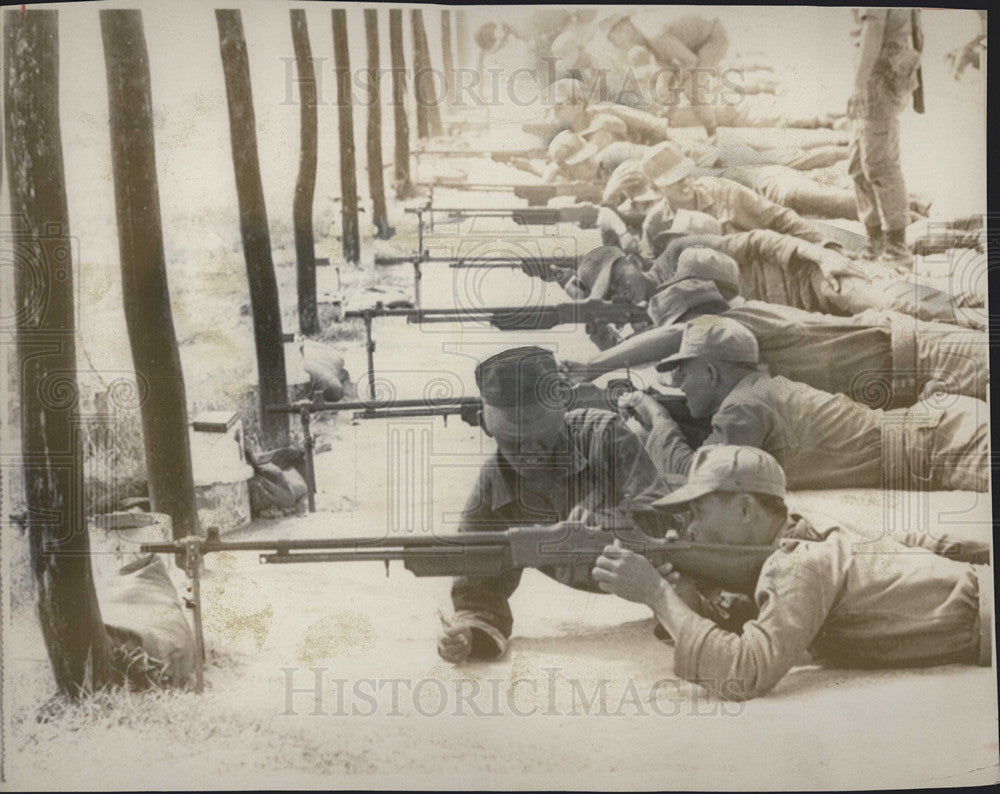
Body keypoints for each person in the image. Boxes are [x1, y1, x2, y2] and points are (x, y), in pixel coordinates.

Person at [592, 444, 993, 701]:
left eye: (698, 511)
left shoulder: (797, 564)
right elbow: (917, 539)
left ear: (747, 509)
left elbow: (744, 672)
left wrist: (657, 594)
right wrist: (688, 591)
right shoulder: (808, 527)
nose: (689, 528)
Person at [438, 346, 661, 663]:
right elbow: (477, 592)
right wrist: (468, 635)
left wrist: (610, 525)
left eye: (542, 435)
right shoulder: (494, 485)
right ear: (485, 425)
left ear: (563, 411)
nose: (530, 450)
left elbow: (668, 519)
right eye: (513, 441)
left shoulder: (604, 437)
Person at [624, 316, 989, 492]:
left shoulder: (745, 405)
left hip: (947, 444)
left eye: (683, 375)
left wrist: (656, 419)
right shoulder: (758, 391)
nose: (681, 387)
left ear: (711, 372)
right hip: (940, 434)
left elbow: (695, 478)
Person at [565, 276, 989, 406]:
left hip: (928, 354)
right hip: (915, 377)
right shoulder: (744, 347)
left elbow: (677, 336)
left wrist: (594, 367)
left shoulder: (744, 320)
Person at [847, 7, 922, 269]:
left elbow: (874, 28)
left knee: (879, 163)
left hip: (880, 74)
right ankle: (876, 240)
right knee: (857, 164)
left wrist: (859, 83)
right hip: (876, 71)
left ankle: (897, 249)